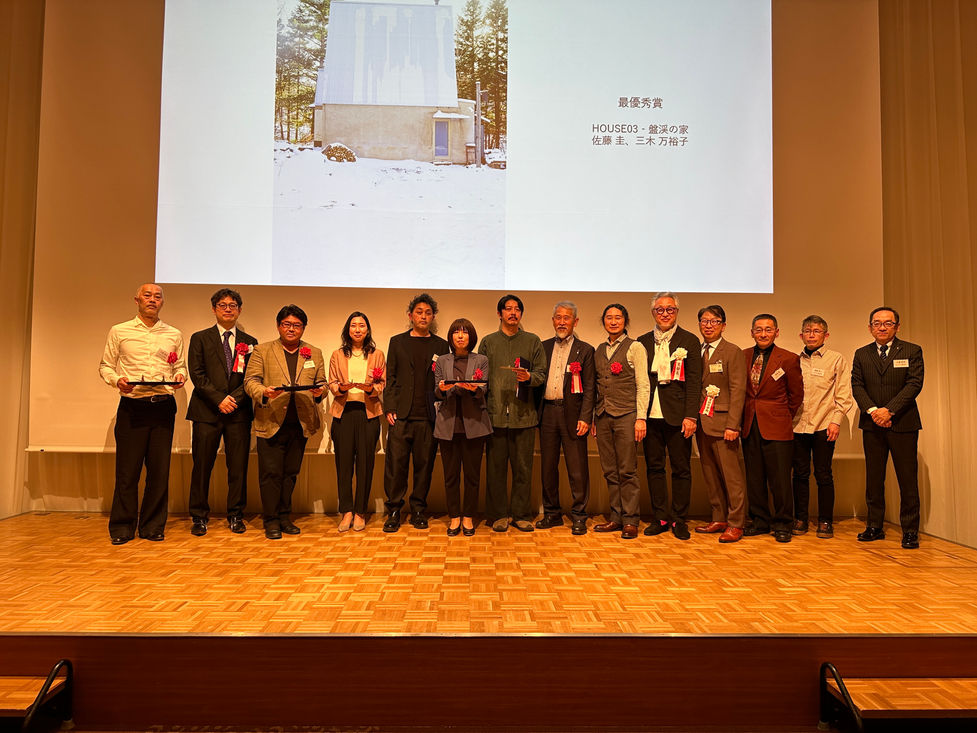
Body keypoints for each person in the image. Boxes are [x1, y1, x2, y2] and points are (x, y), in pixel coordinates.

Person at [99, 283, 187, 544]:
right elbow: (105, 366)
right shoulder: (119, 330)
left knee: (159, 472)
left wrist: (180, 376)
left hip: (162, 406)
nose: (152, 300)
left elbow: (179, 366)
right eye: (147, 295)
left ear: (162, 302)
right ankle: (122, 528)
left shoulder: (173, 333)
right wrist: (117, 380)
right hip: (133, 406)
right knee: (127, 472)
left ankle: (152, 526)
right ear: (136, 300)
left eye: (157, 296)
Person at [244, 305, 325, 540]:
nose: (291, 329)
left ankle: (284, 517)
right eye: (287, 324)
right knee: (270, 474)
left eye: (297, 325)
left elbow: (322, 382)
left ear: (303, 328)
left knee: (290, 473)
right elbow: (250, 381)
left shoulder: (314, 352)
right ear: (279, 326)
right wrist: (264, 392)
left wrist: (320, 391)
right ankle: (270, 520)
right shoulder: (262, 350)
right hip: (270, 420)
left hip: (300, 423)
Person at [185, 288, 257, 536]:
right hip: (206, 411)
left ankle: (236, 514)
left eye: (232, 305)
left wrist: (232, 400)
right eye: (223, 305)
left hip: (238, 412)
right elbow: (197, 374)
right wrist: (219, 399)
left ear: (240, 310)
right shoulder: (199, 338)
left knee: (238, 467)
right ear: (214, 309)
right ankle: (198, 516)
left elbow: (252, 377)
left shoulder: (250, 342)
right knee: (201, 466)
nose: (228, 309)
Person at [851, 307, 924, 549]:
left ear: (897, 327)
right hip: (872, 425)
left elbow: (914, 384)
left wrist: (889, 410)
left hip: (903, 423)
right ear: (870, 327)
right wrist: (874, 411)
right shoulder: (861, 354)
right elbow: (857, 385)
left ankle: (910, 530)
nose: (882, 327)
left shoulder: (912, 351)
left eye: (888, 323)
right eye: (877, 323)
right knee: (874, 478)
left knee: (907, 479)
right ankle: (874, 526)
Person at [478, 294, 547, 532]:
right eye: (508, 309)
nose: (513, 313)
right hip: (495, 416)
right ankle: (498, 515)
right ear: (500, 314)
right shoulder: (488, 342)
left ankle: (521, 515)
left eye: (517, 309)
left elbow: (541, 374)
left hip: (524, 416)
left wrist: (529, 377)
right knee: (495, 469)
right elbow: (480, 377)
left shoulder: (532, 341)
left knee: (523, 469)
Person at [636, 292, 702, 540]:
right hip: (650, 415)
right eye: (660, 309)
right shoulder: (642, 341)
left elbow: (694, 382)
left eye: (670, 309)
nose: (665, 314)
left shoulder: (689, 340)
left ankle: (679, 519)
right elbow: (638, 381)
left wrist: (691, 416)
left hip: (678, 416)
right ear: (653, 313)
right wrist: (639, 415)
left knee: (681, 469)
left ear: (676, 312)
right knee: (654, 468)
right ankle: (661, 517)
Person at [382, 293, 450, 532]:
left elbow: (443, 380)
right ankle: (393, 510)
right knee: (395, 466)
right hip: (401, 415)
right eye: (419, 312)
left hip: (429, 416)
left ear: (433, 317)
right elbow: (390, 377)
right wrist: (389, 407)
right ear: (410, 315)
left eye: (428, 313)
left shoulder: (441, 345)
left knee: (424, 466)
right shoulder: (397, 342)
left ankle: (419, 510)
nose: (423, 316)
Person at [741, 314, 804, 543]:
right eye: (758, 329)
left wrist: (781, 415)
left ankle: (783, 523)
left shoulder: (788, 358)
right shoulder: (743, 356)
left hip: (777, 426)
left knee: (780, 479)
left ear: (776, 332)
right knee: (754, 478)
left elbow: (796, 395)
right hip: (749, 424)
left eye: (768, 329)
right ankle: (759, 521)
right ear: (752, 332)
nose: (763, 334)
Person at [534, 301, 596, 535]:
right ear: (553, 321)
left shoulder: (585, 350)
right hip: (548, 413)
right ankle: (552, 513)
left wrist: (586, 417)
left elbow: (590, 388)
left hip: (574, 415)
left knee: (577, 469)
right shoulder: (543, 347)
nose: (562, 322)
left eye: (566, 318)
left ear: (575, 322)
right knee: (548, 467)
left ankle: (579, 515)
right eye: (558, 317)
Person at [792, 315, 853, 539]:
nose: (811, 335)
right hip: (797, 426)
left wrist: (836, 420)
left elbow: (844, 394)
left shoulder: (836, 359)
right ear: (801, 335)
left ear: (825, 335)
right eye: (807, 331)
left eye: (816, 331)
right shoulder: (794, 360)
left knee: (823, 474)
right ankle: (800, 518)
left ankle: (825, 521)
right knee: (799, 474)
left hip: (824, 425)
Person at [592, 304, 650, 540]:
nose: (613, 321)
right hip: (603, 416)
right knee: (610, 470)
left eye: (618, 317)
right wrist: (594, 417)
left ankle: (630, 520)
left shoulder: (635, 347)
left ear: (625, 321)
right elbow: (596, 386)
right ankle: (615, 517)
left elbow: (643, 384)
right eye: (609, 317)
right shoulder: (599, 349)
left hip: (627, 415)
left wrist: (641, 418)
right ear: (604, 321)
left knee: (627, 470)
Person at [694, 305, 748, 544]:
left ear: (723, 325)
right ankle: (719, 517)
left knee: (731, 477)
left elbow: (738, 390)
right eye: (704, 321)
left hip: (724, 423)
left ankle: (736, 523)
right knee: (710, 474)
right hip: (701, 423)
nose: (709, 325)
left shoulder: (732, 351)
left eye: (714, 321)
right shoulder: (696, 351)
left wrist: (733, 425)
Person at [434, 318, 492, 536]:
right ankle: (454, 517)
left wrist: (473, 388)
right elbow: (437, 389)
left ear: (471, 336)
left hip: (474, 425)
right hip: (448, 424)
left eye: (464, 332)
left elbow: (483, 388)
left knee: (472, 476)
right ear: (451, 337)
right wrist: (443, 388)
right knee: (450, 476)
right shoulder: (442, 360)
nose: (460, 336)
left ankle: (468, 517)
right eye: (456, 332)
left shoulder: (481, 360)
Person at [328, 312, 385, 532]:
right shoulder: (337, 354)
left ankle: (360, 512)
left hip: (367, 414)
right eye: (353, 325)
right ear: (348, 329)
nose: (358, 329)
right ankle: (346, 512)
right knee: (343, 466)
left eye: (362, 325)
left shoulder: (377, 354)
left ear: (367, 330)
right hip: (344, 414)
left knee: (365, 465)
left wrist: (371, 389)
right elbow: (332, 382)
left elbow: (381, 383)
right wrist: (340, 388)